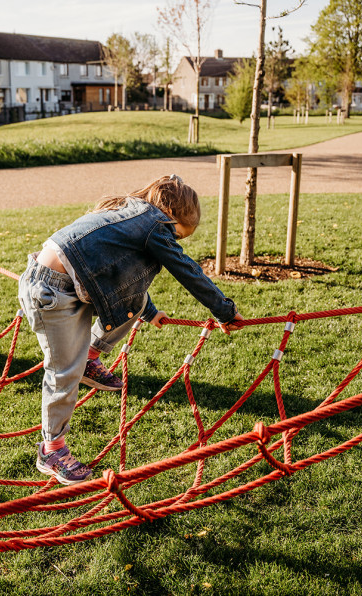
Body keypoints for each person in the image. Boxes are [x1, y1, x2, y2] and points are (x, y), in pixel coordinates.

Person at [17, 174, 245, 485]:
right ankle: (51, 449)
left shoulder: (130, 212)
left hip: (71, 286)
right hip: (51, 291)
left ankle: (91, 356)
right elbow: (187, 270)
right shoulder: (154, 225)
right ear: (172, 217)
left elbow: (118, 270)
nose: (173, 242)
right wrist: (224, 310)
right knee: (63, 372)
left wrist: (148, 311)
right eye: (177, 236)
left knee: (133, 306)